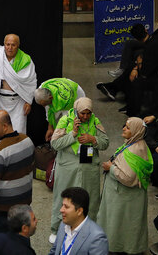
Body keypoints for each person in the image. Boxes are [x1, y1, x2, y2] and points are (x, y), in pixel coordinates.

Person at [49, 97, 109, 243]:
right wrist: (73, 134)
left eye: (88, 113)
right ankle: (56, 229)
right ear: (76, 110)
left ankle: (89, 230)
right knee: (63, 199)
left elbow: (105, 143)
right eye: (82, 113)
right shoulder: (65, 121)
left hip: (88, 169)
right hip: (68, 168)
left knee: (91, 200)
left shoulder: (95, 122)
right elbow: (55, 144)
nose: (85, 116)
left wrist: (93, 139)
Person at [98, 117, 153, 255]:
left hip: (124, 198)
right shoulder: (135, 143)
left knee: (121, 226)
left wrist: (110, 168)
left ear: (135, 131)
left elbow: (128, 178)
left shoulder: (135, 150)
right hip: (126, 198)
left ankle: (120, 248)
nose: (124, 129)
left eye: (128, 127)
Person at [0, 110, 34, 241]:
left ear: (5, 126)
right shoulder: (27, 141)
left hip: (0, 213)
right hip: (23, 208)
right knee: (20, 244)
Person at [0, 34, 37, 134]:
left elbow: (31, 82)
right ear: (4, 44)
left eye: (13, 45)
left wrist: (29, 102)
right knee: (1, 130)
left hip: (19, 102)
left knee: (18, 131)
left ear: (18, 45)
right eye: (7, 44)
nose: (10, 48)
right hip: (1, 100)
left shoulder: (26, 60)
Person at [48, 187, 109, 255]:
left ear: (79, 211)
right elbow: (54, 251)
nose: (61, 210)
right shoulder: (63, 224)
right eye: (62, 205)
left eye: (66, 207)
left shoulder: (97, 238)